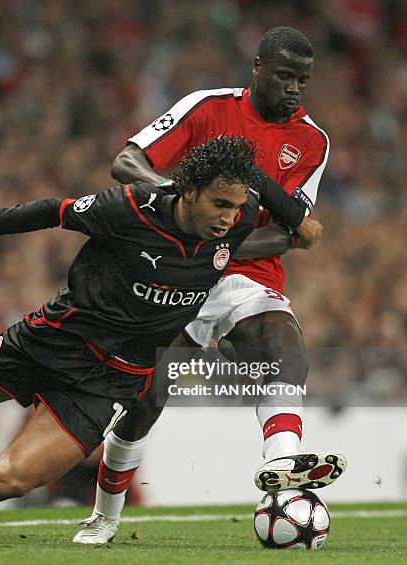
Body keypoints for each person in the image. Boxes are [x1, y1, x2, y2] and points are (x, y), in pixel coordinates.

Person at [0, 135, 314, 539]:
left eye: (237, 206)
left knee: (11, 479)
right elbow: (51, 211)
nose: (230, 217)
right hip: (57, 337)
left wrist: (293, 222)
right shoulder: (131, 210)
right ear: (187, 192)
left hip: (108, 382)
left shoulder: (239, 219)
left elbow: (273, 230)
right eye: (220, 204)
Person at [73, 26, 346, 544]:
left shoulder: (312, 141)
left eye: (302, 82)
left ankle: (284, 477)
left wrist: (222, 245)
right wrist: (182, 208)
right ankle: (106, 512)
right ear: (258, 68)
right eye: (284, 76)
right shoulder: (207, 107)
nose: (293, 89)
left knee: (282, 345)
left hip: (245, 273)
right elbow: (127, 163)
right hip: (176, 270)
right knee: (145, 401)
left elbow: (289, 234)